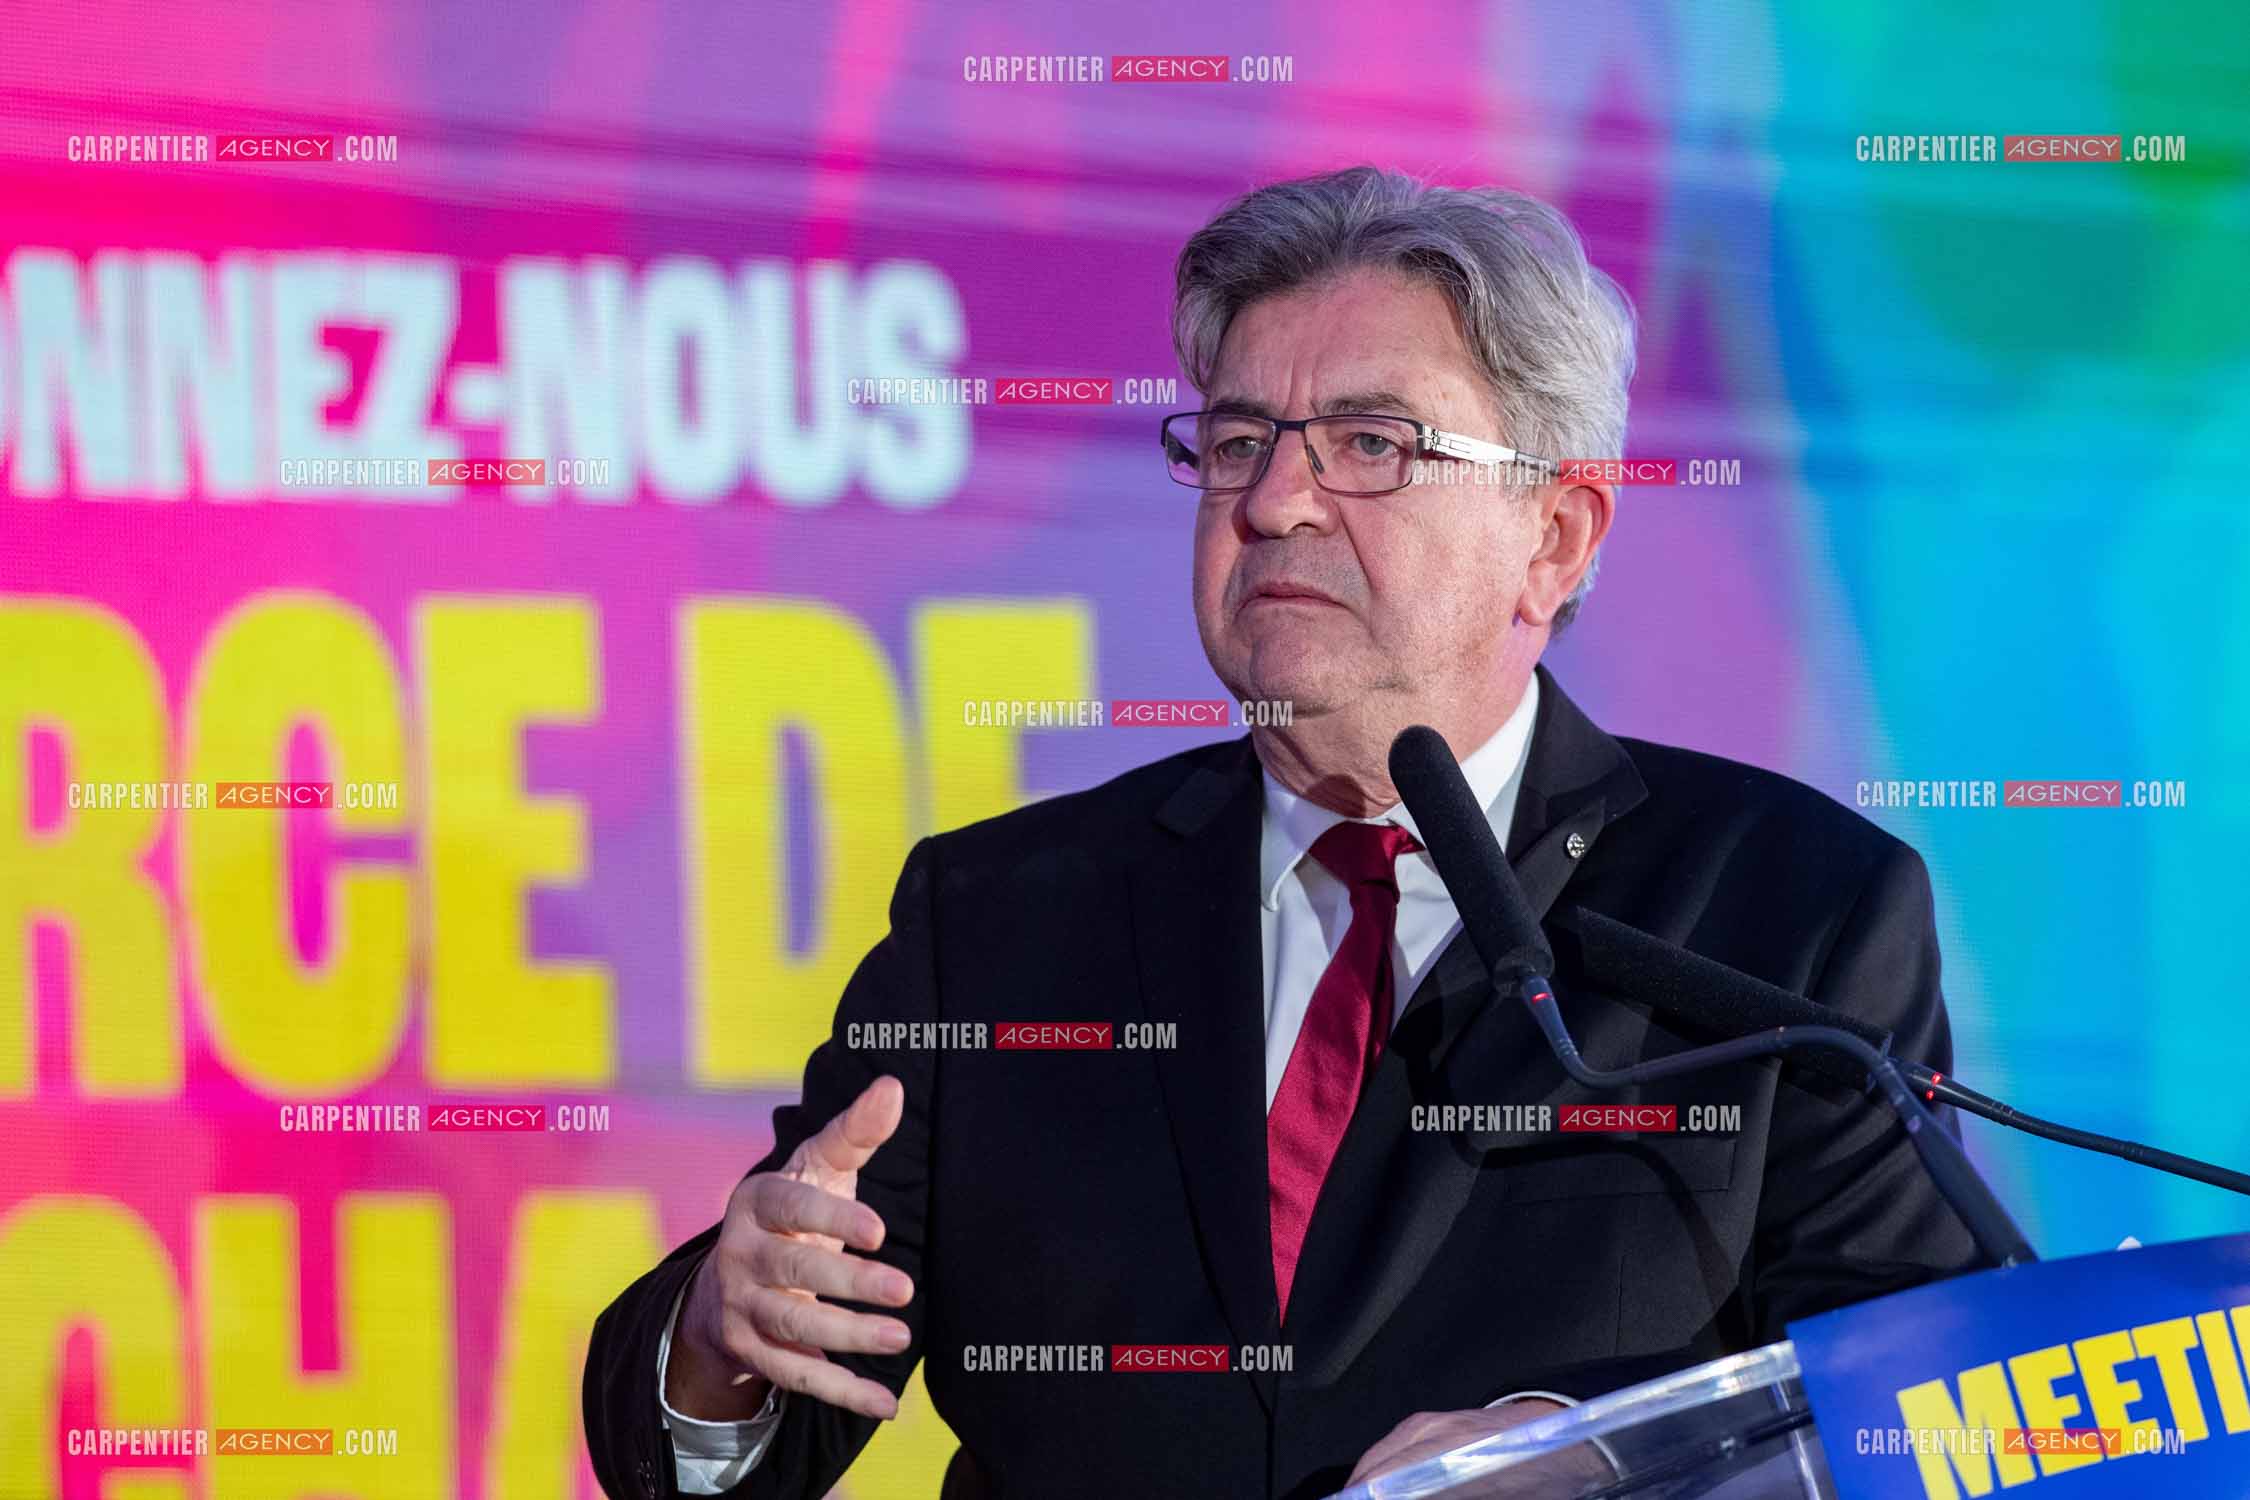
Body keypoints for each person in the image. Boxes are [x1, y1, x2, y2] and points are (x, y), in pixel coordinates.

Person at [582, 165, 1980, 1500]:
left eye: (1373, 444)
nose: (1273, 500)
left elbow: (1920, 1405)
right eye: (1238, 440)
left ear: (1551, 538)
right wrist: (718, 1338)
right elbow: (769, 1390)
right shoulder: (1001, 918)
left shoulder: (1787, 909)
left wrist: (1595, 1455)